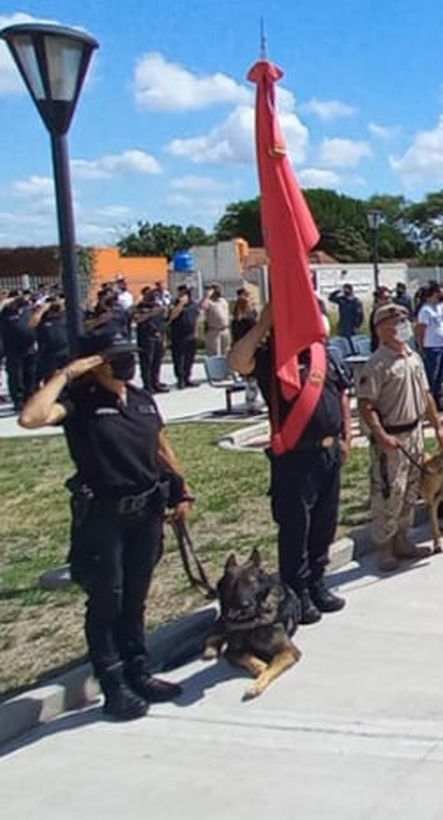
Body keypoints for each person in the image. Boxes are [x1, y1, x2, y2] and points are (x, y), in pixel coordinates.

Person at [19, 330, 193, 720]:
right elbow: (29, 418)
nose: (127, 361)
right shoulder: (79, 402)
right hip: (104, 517)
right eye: (116, 355)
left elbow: (161, 450)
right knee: (106, 600)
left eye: (129, 352)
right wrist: (65, 374)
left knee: (135, 596)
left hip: (146, 512)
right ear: (95, 363)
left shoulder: (143, 401)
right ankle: (112, 681)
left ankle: (138, 668)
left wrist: (181, 490)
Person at [228, 303, 351, 625]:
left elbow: (340, 397)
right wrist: (263, 324)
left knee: (325, 523)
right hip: (296, 456)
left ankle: (317, 582)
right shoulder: (275, 357)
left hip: (329, 452)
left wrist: (345, 437)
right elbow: (238, 361)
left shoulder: (323, 355)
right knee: (297, 526)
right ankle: (297, 592)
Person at [357, 303, 443, 572]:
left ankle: (402, 539)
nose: (403, 324)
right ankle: (384, 547)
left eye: (404, 319)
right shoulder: (377, 363)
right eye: (396, 320)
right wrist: (381, 435)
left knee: (410, 491)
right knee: (389, 492)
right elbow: (366, 405)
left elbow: (426, 394)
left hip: (415, 433)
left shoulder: (413, 357)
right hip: (392, 439)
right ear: (381, 328)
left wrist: (438, 426)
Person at [415, 286, 443, 410]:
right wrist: (421, 346)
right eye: (439, 294)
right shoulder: (425, 310)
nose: (442, 296)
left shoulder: (439, 308)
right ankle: (429, 405)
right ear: (432, 294)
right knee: (432, 377)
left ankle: (438, 401)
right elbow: (421, 329)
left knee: (441, 377)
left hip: (442, 346)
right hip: (431, 348)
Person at [2, 292, 39, 408]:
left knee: (31, 375)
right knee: (16, 377)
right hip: (12, 350)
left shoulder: (28, 311)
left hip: (30, 349)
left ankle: (30, 399)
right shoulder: (4, 313)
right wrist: (5, 302)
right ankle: (18, 401)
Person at [131, 287, 169, 393]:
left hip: (158, 337)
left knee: (157, 361)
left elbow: (163, 323)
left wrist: (164, 337)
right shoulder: (140, 307)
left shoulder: (159, 307)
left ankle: (155, 382)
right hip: (146, 338)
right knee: (147, 362)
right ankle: (147, 385)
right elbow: (137, 319)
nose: (153, 297)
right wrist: (151, 313)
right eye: (151, 295)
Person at [166, 284, 199, 388]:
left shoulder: (193, 305)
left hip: (190, 335)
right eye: (182, 292)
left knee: (189, 358)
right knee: (179, 358)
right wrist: (180, 304)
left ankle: (187, 377)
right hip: (178, 336)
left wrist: (196, 332)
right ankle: (180, 379)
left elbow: (196, 318)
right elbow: (171, 317)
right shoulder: (175, 304)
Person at [200, 284, 231, 358]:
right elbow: (202, 306)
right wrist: (207, 296)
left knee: (226, 353)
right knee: (214, 354)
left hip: (225, 330)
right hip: (214, 331)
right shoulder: (209, 302)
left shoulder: (223, 301)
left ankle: (224, 369)